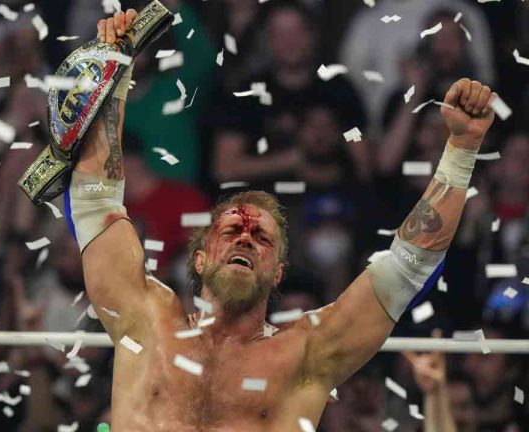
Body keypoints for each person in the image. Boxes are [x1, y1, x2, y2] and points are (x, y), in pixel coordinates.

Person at [51, 7, 502, 429]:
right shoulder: (146, 319)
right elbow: (95, 205)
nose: (246, 237)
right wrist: (112, 83)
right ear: (201, 258)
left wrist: (460, 150)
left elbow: (408, 267)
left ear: (277, 272)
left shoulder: (305, 353)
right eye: (231, 230)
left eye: (261, 238)